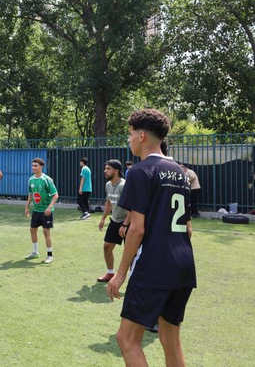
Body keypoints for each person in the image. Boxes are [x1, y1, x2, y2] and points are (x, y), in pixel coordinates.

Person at [107, 109, 195, 366]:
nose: (128, 140)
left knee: (126, 339)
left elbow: (137, 229)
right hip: (184, 265)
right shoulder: (180, 172)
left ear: (142, 135)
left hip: (155, 265)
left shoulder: (139, 171)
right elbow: (188, 229)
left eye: (130, 134)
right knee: (170, 338)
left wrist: (120, 273)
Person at [96, 159, 129, 283]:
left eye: (108, 169)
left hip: (128, 222)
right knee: (107, 247)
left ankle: (134, 279)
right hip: (115, 220)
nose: (105, 171)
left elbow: (132, 207)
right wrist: (103, 219)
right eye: (105, 168)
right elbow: (109, 202)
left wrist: (125, 224)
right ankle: (110, 273)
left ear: (116, 171)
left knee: (131, 252)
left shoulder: (123, 185)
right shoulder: (108, 185)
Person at [24, 158, 58, 264]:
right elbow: (31, 194)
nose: (33, 167)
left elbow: (55, 195)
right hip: (36, 210)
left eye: (36, 165)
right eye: (32, 165)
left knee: (46, 231)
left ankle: (50, 255)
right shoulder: (31, 180)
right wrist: (27, 206)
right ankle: (35, 252)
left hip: (46, 210)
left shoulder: (47, 179)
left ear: (41, 167)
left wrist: (49, 207)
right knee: (32, 230)